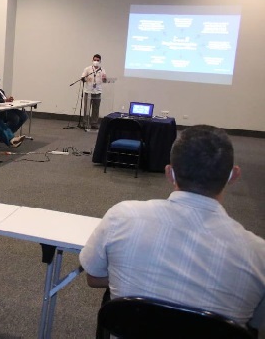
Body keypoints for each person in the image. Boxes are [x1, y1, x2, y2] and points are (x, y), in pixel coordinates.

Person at [79, 125, 265, 333]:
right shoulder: (259, 255)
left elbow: (93, 277)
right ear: (233, 176)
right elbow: (254, 321)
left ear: (170, 173)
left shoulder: (122, 217)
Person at [80, 54, 107, 130]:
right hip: (88, 91)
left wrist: (105, 78)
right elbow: (82, 78)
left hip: (97, 92)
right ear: (92, 60)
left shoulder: (102, 70)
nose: (96, 61)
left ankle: (94, 123)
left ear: (100, 61)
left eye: (97, 60)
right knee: (86, 108)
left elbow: (104, 80)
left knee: (96, 109)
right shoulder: (88, 69)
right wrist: (88, 79)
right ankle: (85, 123)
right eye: (95, 60)